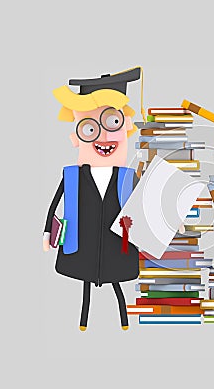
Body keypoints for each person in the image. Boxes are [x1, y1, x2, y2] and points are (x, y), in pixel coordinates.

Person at [43, 68, 142, 331]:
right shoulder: (72, 175)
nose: (103, 137)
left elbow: (144, 206)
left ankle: (123, 318)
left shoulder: (128, 177)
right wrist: (47, 233)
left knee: (117, 283)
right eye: (90, 128)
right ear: (76, 136)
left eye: (113, 124)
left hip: (118, 242)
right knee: (86, 283)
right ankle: (84, 319)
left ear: (126, 126)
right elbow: (55, 203)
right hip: (82, 239)